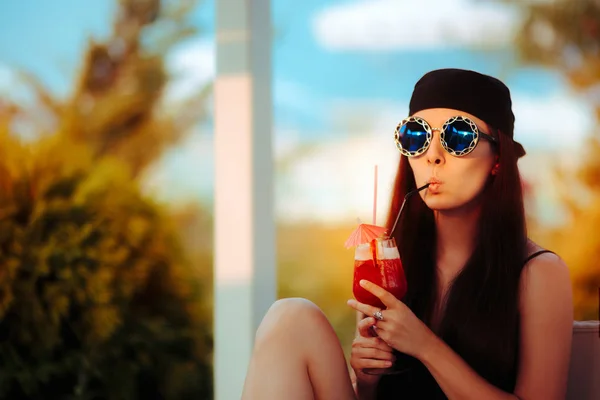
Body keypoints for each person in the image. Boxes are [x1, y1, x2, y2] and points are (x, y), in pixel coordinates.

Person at [241, 69, 574, 400]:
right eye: (417, 137)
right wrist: (367, 378)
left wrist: (424, 345)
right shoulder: (385, 262)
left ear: (498, 158)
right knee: (290, 318)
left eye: (459, 137)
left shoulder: (539, 273)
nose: (433, 156)